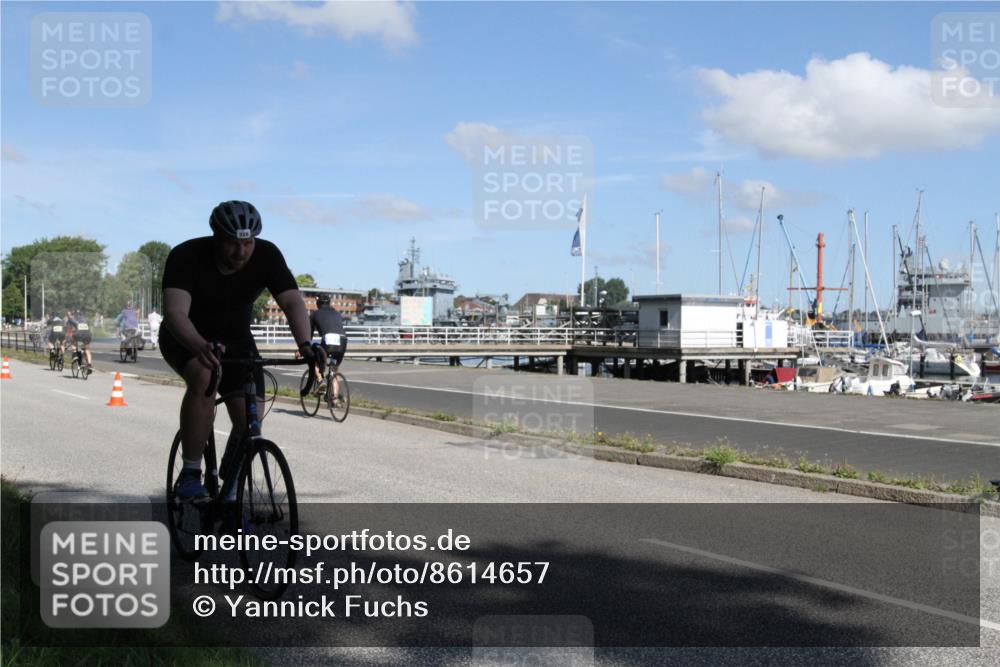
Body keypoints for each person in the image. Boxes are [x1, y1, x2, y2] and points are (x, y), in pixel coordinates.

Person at [161, 200, 323, 501]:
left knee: (251, 417)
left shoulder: (267, 255)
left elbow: (291, 302)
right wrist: (199, 346)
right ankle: (191, 473)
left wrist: (306, 345)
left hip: (236, 338)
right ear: (216, 238)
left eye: (247, 243)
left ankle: (230, 487)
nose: (241, 252)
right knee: (203, 375)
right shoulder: (186, 255)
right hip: (186, 336)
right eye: (232, 244)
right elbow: (175, 314)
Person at [310, 294, 348, 402]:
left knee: (316, 361)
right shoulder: (337, 313)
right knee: (334, 370)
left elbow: (309, 335)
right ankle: (334, 400)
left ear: (318, 303)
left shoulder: (314, 314)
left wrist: (305, 347)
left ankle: (321, 381)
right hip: (343, 340)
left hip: (328, 339)